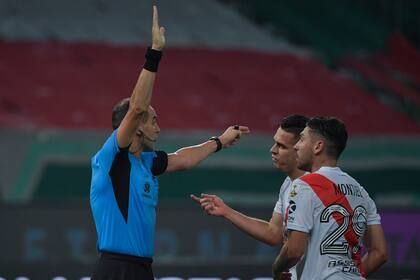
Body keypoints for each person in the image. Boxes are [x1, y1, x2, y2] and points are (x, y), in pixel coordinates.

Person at [89, 6, 249, 280]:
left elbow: (184, 159)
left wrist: (220, 141)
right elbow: (138, 107)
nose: (158, 128)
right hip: (116, 269)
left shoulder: (147, 163)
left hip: (141, 269)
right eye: (153, 121)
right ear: (136, 126)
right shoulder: (112, 158)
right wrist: (154, 54)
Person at [192, 114, 309, 280]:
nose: (272, 149)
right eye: (275, 142)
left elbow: (295, 249)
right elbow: (273, 233)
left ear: (300, 149)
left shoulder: (316, 186)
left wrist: (277, 269)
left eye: (281, 146)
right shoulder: (288, 185)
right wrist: (226, 211)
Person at [272, 116, 388, 280]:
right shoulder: (361, 192)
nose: (296, 146)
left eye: (302, 140)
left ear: (318, 147)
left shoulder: (304, 185)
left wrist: (276, 269)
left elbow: (294, 251)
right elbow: (380, 253)